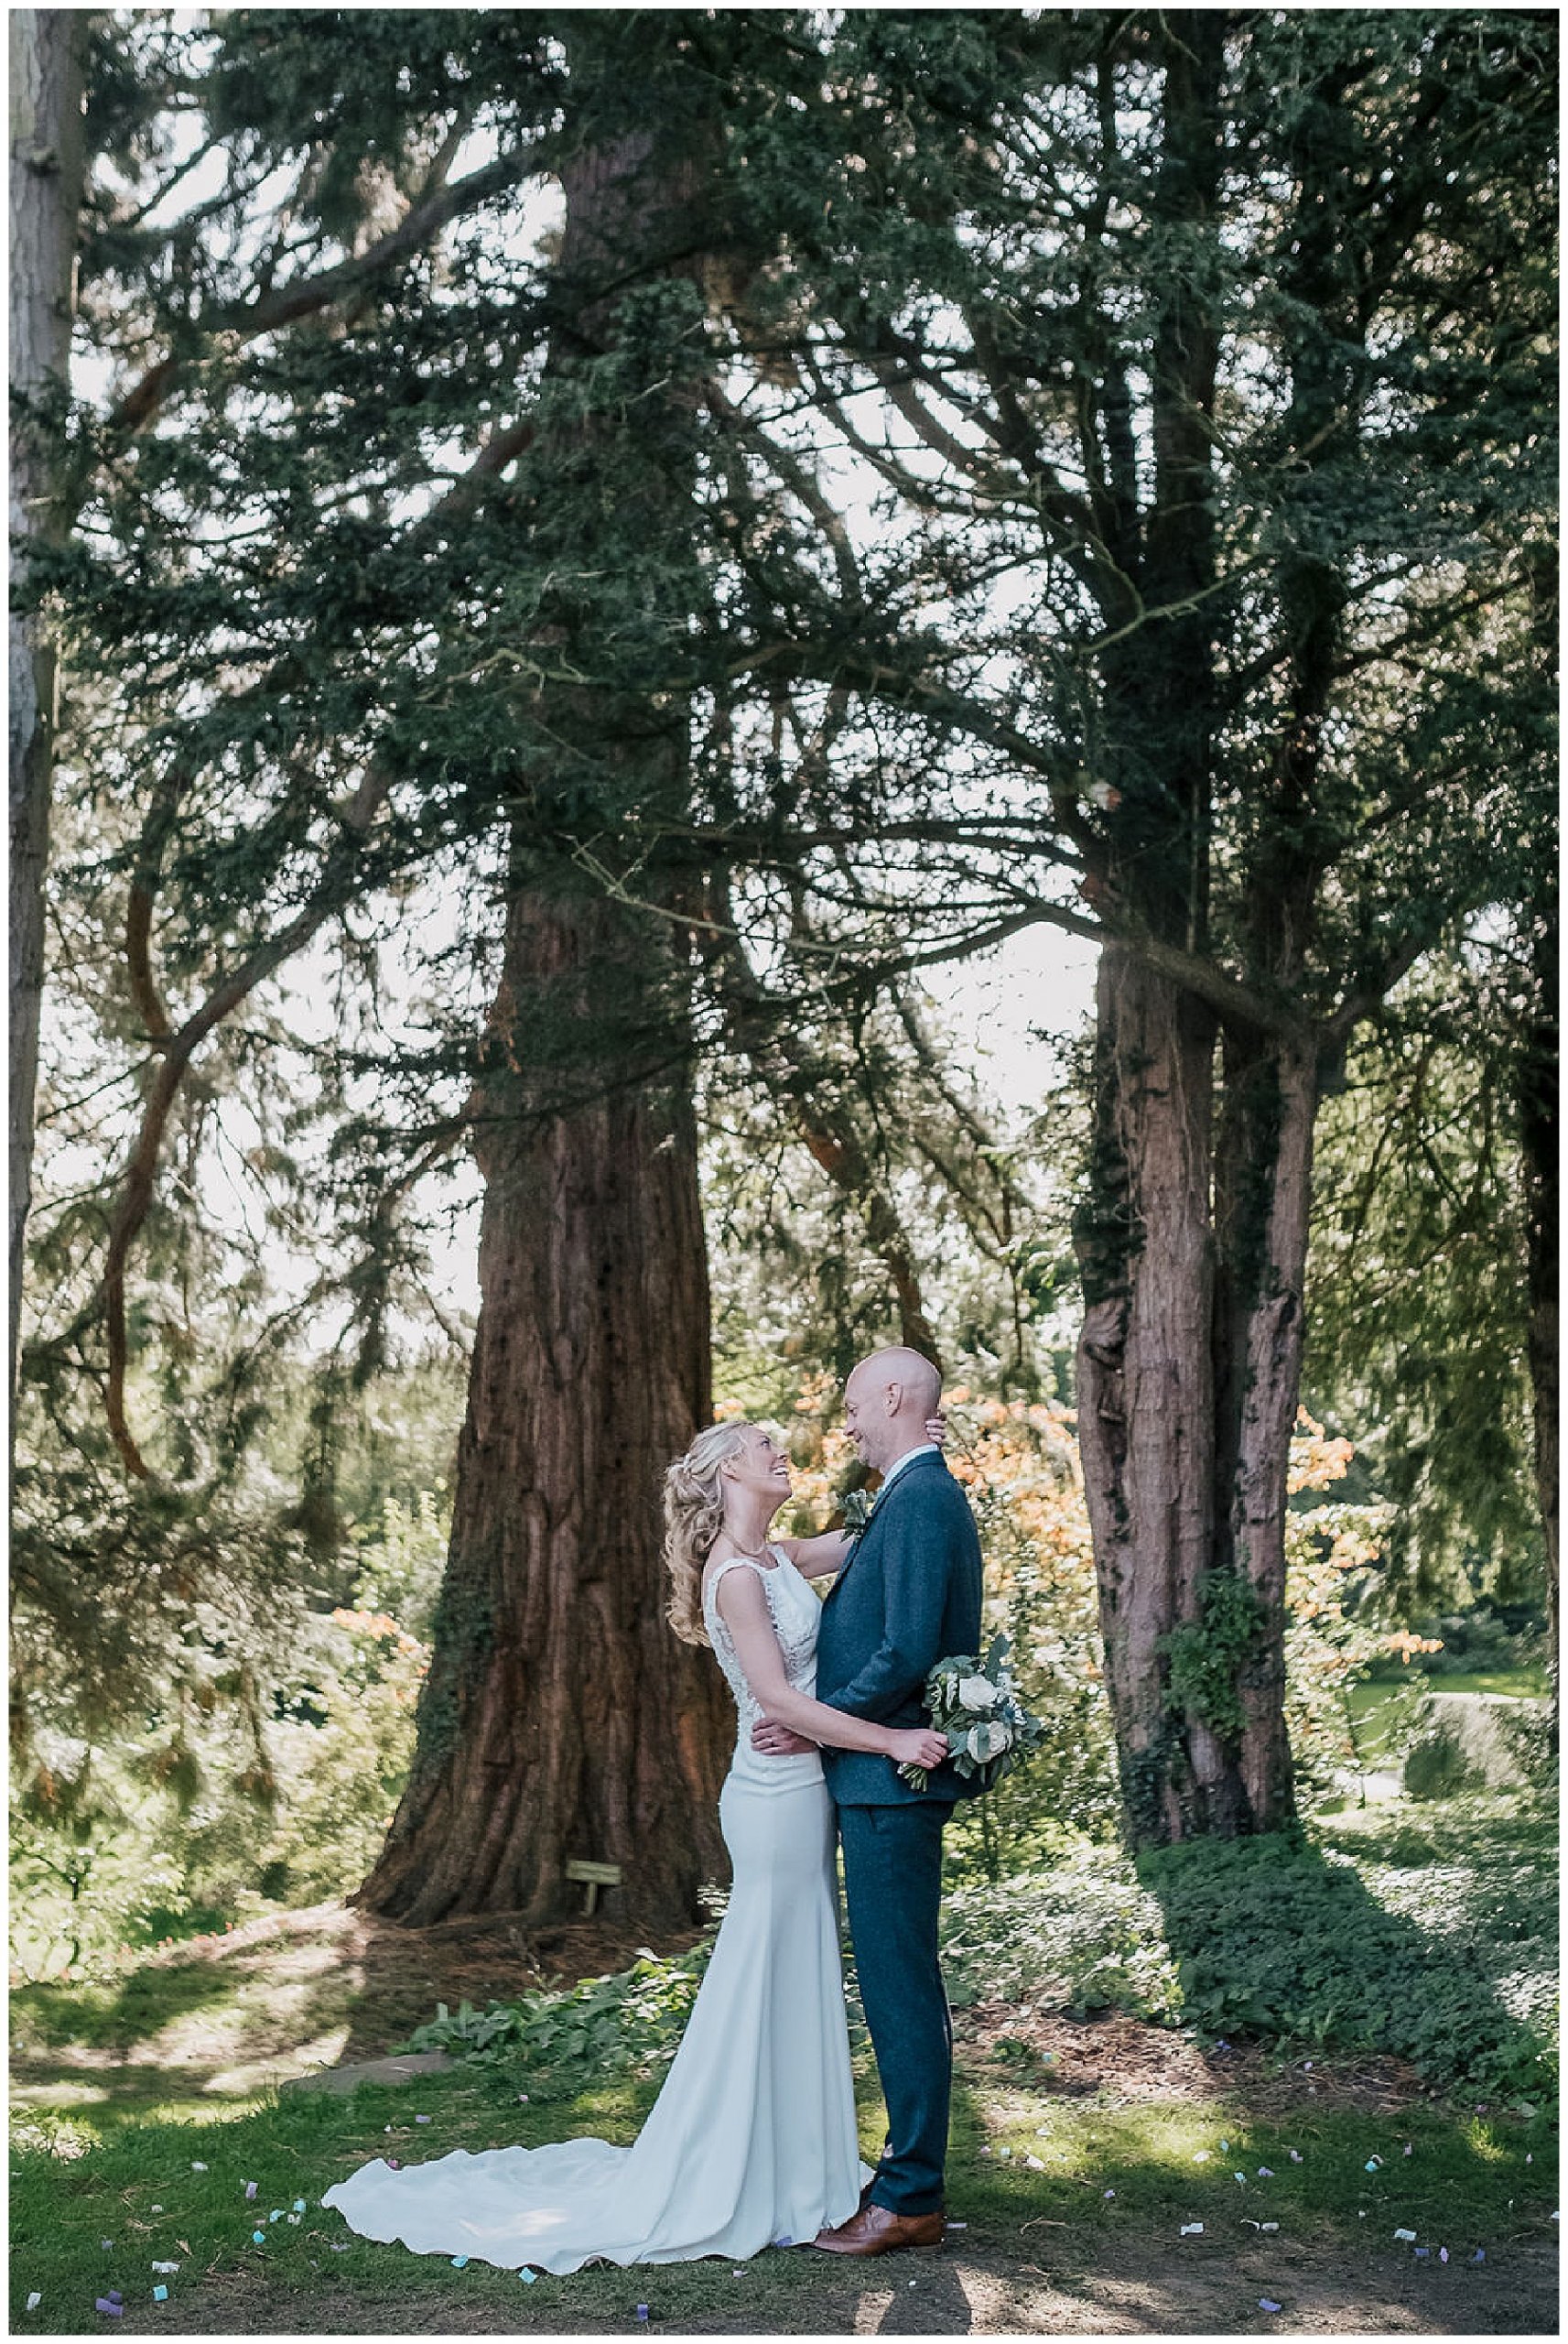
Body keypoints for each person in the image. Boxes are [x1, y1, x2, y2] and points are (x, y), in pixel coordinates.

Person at [319, 1402, 950, 2274]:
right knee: (764, 1964)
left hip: (809, 1783)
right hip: (773, 1793)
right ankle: (735, 2170)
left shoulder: (777, 1554)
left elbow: (858, 1544)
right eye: (763, 1445)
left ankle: (797, 2170)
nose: (780, 1451)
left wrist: (916, 1461)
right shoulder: (732, 1576)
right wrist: (889, 1739)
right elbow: (775, 1702)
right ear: (729, 1470)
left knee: (798, 1962)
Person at [753, 1345, 982, 2256]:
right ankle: (904, 2182)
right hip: (877, 1780)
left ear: (893, 1395)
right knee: (893, 1981)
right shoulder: (905, 1495)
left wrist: (818, 1722)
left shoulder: (925, 1497)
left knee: (897, 1986)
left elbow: (906, 1650)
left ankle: (911, 2195)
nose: (845, 1421)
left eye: (854, 1403)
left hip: (890, 1784)